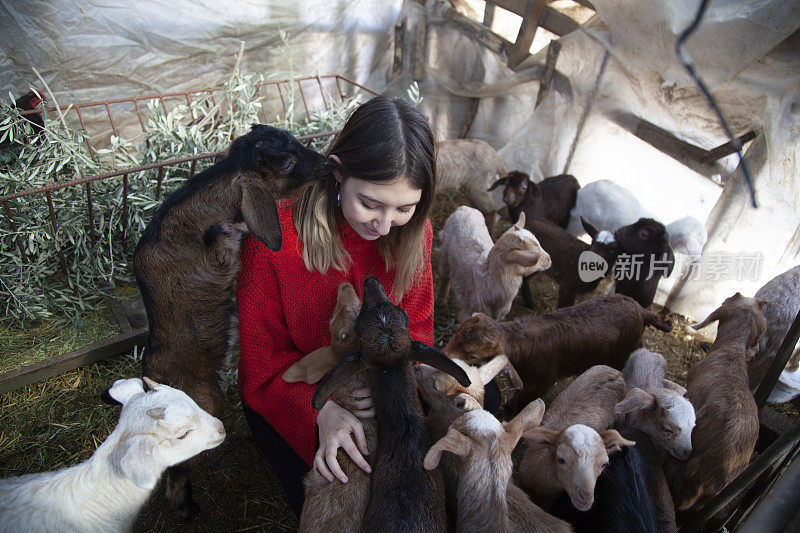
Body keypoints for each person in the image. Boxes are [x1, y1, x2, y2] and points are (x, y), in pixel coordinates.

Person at [236, 94, 437, 516]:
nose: (384, 226)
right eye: (370, 203)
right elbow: (262, 365)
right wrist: (322, 413)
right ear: (338, 170)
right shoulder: (274, 242)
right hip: (299, 393)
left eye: (404, 208)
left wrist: (390, 383)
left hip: (383, 386)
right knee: (336, 498)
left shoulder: (415, 234)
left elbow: (417, 329)